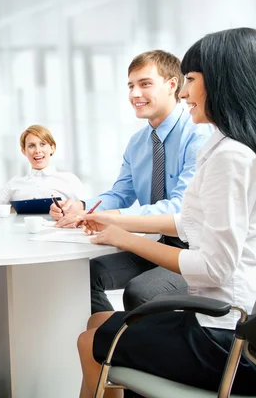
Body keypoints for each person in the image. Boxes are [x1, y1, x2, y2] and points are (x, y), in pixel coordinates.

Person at [76, 28, 256, 398]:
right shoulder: (222, 147)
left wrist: (123, 237)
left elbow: (214, 267)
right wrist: (113, 219)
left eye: (190, 80)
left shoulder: (229, 156)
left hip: (225, 334)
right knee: (96, 321)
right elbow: (186, 221)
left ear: (221, 80)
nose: (185, 92)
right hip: (220, 319)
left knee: (88, 342)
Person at [50, 50, 212, 313]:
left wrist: (114, 218)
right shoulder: (138, 143)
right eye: (130, 86)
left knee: (141, 292)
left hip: (195, 249)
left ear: (173, 85)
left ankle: (131, 346)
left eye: (145, 84)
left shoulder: (199, 136)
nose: (135, 94)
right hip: (157, 241)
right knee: (84, 276)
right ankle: (111, 342)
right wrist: (81, 207)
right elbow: (121, 193)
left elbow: (180, 209)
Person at [0, 124, 83, 212]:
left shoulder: (69, 180)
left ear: (52, 148)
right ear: (24, 151)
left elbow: (87, 210)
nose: (37, 150)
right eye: (31, 146)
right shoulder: (14, 183)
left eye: (42, 144)